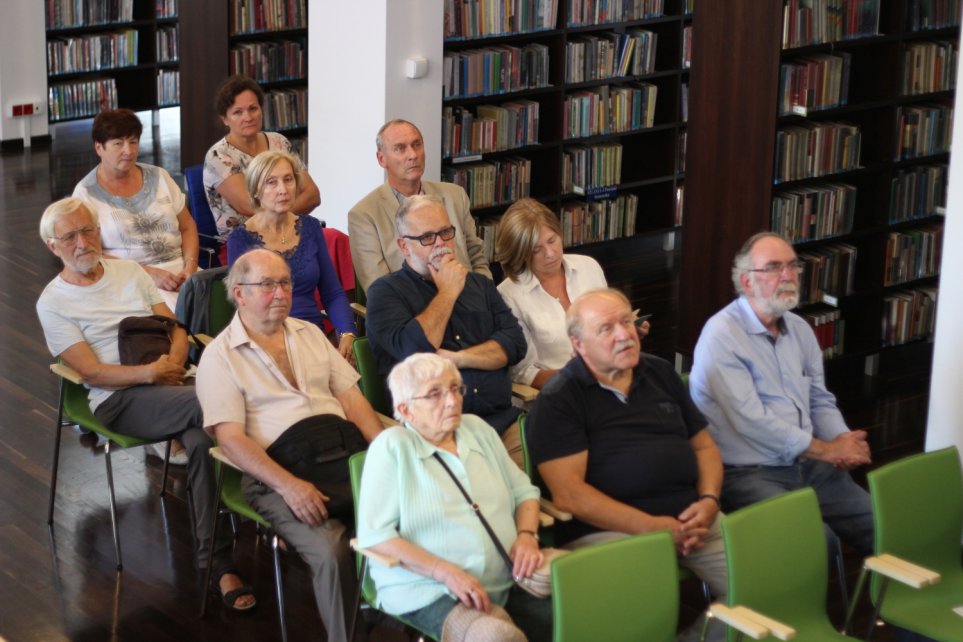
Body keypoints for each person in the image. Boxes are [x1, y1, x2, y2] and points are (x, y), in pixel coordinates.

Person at [35, 197, 253, 612]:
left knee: (204, 441)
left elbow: (174, 326)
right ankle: (263, 494)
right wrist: (150, 374)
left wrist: (172, 360)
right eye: (70, 236)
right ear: (53, 246)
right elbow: (92, 373)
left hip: (172, 384)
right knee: (224, 405)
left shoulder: (128, 272)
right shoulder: (53, 302)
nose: (83, 242)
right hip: (119, 398)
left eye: (89, 230)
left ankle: (216, 563)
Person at [196, 248, 383, 642]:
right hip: (276, 472)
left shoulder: (310, 333)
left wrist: (386, 451)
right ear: (239, 293)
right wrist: (288, 486)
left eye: (284, 282)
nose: (280, 292)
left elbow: (352, 399)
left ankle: (411, 616)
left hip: (340, 454)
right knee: (332, 548)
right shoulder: (220, 357)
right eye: (267, 284)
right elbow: (229, 438)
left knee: (417, 512)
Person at [527, 288, 726, 642]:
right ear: (578, 345)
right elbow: (570, 495)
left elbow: (705, 447)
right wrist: (651, 527)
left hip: (694, 519)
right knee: (644, 614)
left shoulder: (661, 373)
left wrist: (709, 502)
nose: (624, 334)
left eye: (626, 321)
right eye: (606, 328)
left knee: (766, 583)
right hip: (610, 532)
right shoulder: (560, 399)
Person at [689, 231, 874, 556]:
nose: (788, 276)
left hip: (807, 461)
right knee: (819, 543)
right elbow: (752, 422)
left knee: (880, 522)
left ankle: (897, 601)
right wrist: (826, 451)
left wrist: (846, 441)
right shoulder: (721, 336)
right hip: (748, 471)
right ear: (746, 282)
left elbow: (819, 399)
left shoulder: (800, 329)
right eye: (774, 268)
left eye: (792, 266)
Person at [357, 352, 550, 642]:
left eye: (454, 389)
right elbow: (376, 537)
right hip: (428, 587)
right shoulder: (392, 447)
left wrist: (526, 535)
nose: (451, 400)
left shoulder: (478, 429)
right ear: (406, 410)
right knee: (495, 636)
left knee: (582, 608)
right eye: (434, 394)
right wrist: (446, 573)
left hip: (509, 574)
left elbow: (524, 492)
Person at [364, 195, 527, 463]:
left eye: (445, 232)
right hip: (434, 435)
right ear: (404, 246)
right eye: (427, 237)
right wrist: (449, 291)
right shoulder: (385, 293)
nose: (441, 243)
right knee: (494, 495)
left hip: (502, 425)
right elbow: (414, 352)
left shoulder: (479, 285)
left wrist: (456, 358)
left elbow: (515, 344)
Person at [496, 198, 649, 389]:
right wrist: (587, 376)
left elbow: (608, 326)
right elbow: (524, 373)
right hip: (561, 393)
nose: (550, 253)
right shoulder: (508, 295)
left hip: (611, 378)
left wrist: (626, 329)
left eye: (552, 240)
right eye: (537, 250)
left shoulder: (588, 266)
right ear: (520, 253)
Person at [227, 150, 357, 362]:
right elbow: (246, 309)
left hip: (313, 337)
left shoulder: (310, 227)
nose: (283, 190)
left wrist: (347, 334)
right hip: (268, 344)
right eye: (271, 182)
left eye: (288, 180)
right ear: (256, 191)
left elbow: (332, 292)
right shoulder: (241, 241)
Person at [72, 108, 200, 312]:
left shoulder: (160, 176)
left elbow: (187, 226)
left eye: (133, 142)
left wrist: (191, 266)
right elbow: (90, 253)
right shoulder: (85, 194)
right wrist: (148, 273)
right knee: (183, 316)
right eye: (118, 143)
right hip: (130, 278)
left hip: (182, 271)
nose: (128, 151)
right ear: (99, 148)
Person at [348, 119, 491, 294]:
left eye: (417, 145)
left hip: (469, 302)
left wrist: (485, 298)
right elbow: (379, 290)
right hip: (414, 312)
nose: (413, 155)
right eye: (400, 148)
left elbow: (477, 258)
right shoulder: (364, 215)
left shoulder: (455, 196)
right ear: (381, 159)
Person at [203, 75, 320, 238]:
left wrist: (282, 217)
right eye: (238, 112)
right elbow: (249, 207)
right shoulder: (218, 156)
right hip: (246, 243)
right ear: (225, 119)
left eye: (253, 108)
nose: (248, 117)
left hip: (290, 231)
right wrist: (290, 212)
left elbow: (312, 195)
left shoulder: (279, 142)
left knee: (335, 239)